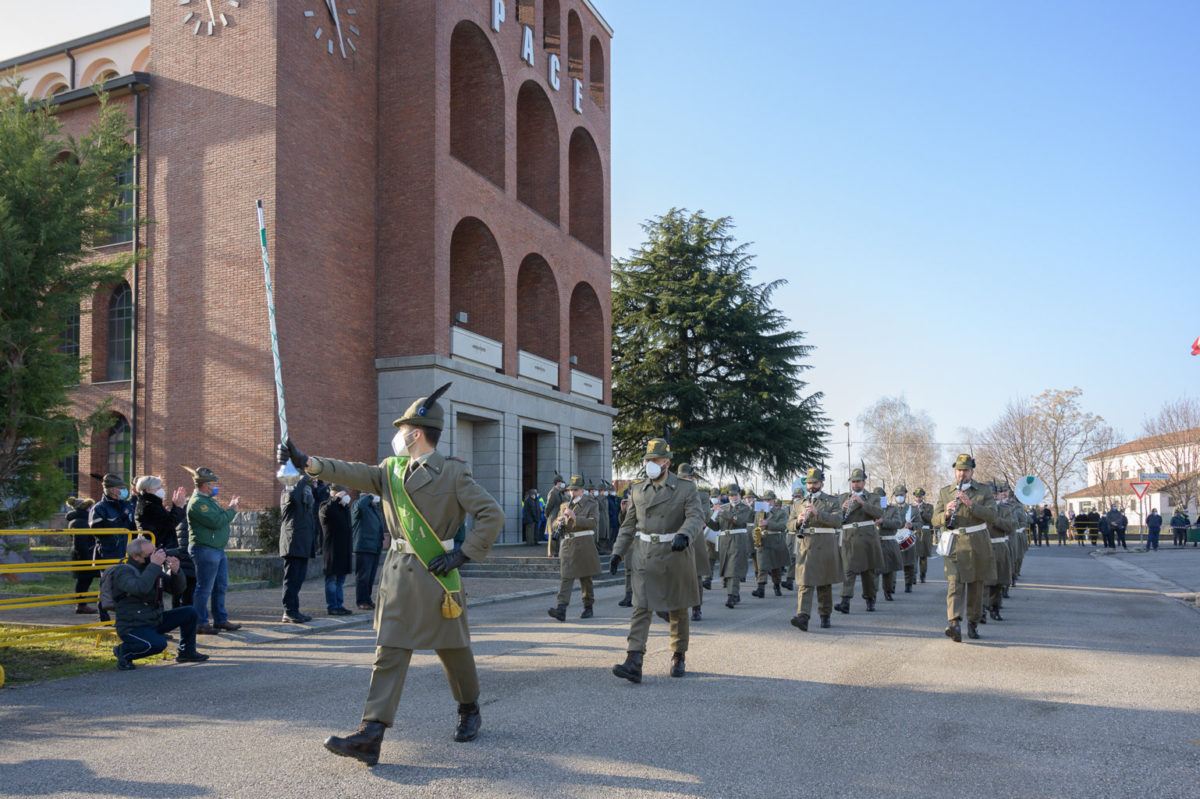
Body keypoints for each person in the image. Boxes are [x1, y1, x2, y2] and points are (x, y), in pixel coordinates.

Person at [280, 383, 502, 765]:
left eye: (403, 429)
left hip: (438, 578)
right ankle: (371, 733)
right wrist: (309, 463)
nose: (398, 435)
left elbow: (491, 514)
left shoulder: (452, 473)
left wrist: (463, 554)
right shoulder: (390, 470)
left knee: (454, 652)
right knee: (389, 652)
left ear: (416, 434)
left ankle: (469, 708)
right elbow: (353, 472)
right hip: (399, 577)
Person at [609, 438, 702, 682]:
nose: (650, 464)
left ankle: (678, 654)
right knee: (641, 606)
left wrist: (684, 534)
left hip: (675, 552)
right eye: (648, 459)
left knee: (678, 607)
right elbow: (629, 525)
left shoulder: (685, 488)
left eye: (655, 460)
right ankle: (634, 659)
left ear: (667, 463)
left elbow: (695, 517)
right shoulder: (638, 489)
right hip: (645, 555)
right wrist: (617, 552)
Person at [111, 538, 209, 670]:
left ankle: (187, 652)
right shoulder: (123, 571)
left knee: (189, 612)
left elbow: (176, 590)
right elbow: (140, 588)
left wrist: (176, 572)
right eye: (150, 554)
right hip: (133, 626)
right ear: (135, 556)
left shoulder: (153, 568)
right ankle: (124, 652)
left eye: (155, 552)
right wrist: (154, 565)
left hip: (154, 620)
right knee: (158, 644)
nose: (155, 556)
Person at [931, 454, 997, 642]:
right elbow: (934, 520)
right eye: (959, 470)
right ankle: (954, 623)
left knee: (976, 586)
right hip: (954, 544)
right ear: (955, 471)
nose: (962, 474)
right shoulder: (945, 492)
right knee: (954, 583)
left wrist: (970, 504)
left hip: (977, 543)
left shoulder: (983, 491)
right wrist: (946, 514)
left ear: (972, 471)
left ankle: (973, 623)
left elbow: (992, 516)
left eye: (966, 470)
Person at [184, 466, 242, 635]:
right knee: (204, 588)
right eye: (213, 484)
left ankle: (220, 619)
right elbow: (216, 521)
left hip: (216, 549)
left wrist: (228, 510)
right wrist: (232, 510)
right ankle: (201, 622)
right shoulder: (198, 503)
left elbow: (219, 517)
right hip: (205, 549)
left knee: (220, 586)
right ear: (204, 485)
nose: (215, 486)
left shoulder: (208, 500)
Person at [788, 469, 844, 631]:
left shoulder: (832, 501)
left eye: (814, 482)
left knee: (824, 583)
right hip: (806, 545)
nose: (811, 486)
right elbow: (789, 525)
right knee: (804, 582)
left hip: (825, 545)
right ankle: (803, 616)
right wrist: (798, 522)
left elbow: (838, 521)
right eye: (809, 483)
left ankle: (825, 615)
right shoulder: (799, 503)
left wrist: (818, 513)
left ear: (821, 484)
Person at [547, 476, 601, 621]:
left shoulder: (591, 504)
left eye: (576, 490)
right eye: (571, 490)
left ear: (582, 490)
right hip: (568, 544)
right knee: (566, 576)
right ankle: (561, 608)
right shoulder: (564, 506)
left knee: (585, 577)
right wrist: (558, 522)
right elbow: (554, 524)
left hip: (584, 544)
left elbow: (593, 523)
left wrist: (575, 517)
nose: (573, 493)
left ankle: (588, 606)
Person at [134, 477, 193, 608]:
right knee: (164, 581)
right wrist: (178, 507)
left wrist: (176, 508)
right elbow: (169, 523)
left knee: (173, 577)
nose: (162, 490)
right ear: (148, 490)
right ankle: (169, 608)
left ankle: (174, 606)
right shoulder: (149, 505)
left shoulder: (152, 503)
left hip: (161, 546)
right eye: (158, 488)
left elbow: (167, 521)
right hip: (156, 548)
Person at [834, 467, 883, 614]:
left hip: (867, 537)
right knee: (848, 570)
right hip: (849, 537)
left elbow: (878, 513)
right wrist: (842, 509)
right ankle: (845, 601)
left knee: (869, 572)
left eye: (858, 481)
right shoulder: (843, 497)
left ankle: (870, 599)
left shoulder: (873, 497)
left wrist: (862, 503)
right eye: (853, 481)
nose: (855, 484)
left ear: (864, 482)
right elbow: (836, 519)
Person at [705, 482, 753, 608]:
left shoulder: (744, 508)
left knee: (733, 568)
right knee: (727, 568)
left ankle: (731, 596)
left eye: (735, 495)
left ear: (739, 495)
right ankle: (735, 594)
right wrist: (707, 519)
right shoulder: (724, 508)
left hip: (738, 540)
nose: (733, 497)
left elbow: (738, 520)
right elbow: (717, 527)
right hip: (724, 541)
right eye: (731, 495)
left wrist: (721, 511)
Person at [279, 474, 316, 623]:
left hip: (303, 546)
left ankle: (295, 610)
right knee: (291, 581)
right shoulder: (288, 494)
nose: (308, 492)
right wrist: (303, 480)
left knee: (298, 581)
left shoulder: (305, 504)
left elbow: (318, 496)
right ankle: (289, 611)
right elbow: (293, 496)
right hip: (292, 545)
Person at [673, 464, 709, 621]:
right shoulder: (671, 493)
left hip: (694, 537)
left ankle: (697, 608)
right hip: (675, 536)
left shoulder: (702, 495)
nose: (685, 480)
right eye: (682, 478)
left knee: (696, 575)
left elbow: (704, 515)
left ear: (693, 479)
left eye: (688, 478)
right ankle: (676, 607)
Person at [983, 481, 1018, 622]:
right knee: (984, 582)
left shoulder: (1006, 509)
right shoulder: (980, 509)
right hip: (983, 546)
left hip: (1000, 547)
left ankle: (995, 607)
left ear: (998, 495)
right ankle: (981, 609)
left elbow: (1011, 526)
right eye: (990, 494)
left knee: (999, 581)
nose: (993, 496)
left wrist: (995, 519)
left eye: (995, 494)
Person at [320, 486, 355, 616]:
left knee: (340, 580)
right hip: (332, 550)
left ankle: (339, 605)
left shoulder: (343, 508)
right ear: (336, 494)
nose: (347, 497)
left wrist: (342, 504)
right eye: (344, 494)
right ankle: (332, 606)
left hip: (343, 550)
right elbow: (326, 511)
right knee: (332, 579)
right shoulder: (326, 506)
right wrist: (335, 499)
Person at [751, 491, 790, 598]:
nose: (766, 502)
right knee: (761, 565)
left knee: (776, 567)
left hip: (775, 540)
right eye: (765, 500)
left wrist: (768, 523)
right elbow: (755, 527)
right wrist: (755, 536)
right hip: (762, 540)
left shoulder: (780, 512)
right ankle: (761, 588)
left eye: (769, 500)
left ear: (773, 500)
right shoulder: (759, 513)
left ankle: (777, 586)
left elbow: (783, 526)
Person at [352, 490, 386, 610]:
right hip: (364, 546)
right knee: (363, 577)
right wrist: (370, 495)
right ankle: (361, 601)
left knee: (371, 576)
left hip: (374, 547)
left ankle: (368, 599)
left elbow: (379, 526)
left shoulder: (373, 508)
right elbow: (360, 505)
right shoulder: (358, 504)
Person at [876, 485, 908, 601]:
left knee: (889, 570)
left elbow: (898, 523)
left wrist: (883, 521)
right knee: (873, 571)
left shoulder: (892, 509)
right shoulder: (868, 510)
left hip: (889, 541)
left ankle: (888, 591)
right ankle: (871, 596)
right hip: (874, 542)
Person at [66, 497, 97, 614]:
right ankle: (81, 605)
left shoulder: (80, 520)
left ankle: (82, 604)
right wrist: (86, 558)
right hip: (84, 555)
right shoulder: (79, 522)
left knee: (85, 580)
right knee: (83, 581)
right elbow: (80, 543)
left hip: (86, 554)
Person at [914, 488, 934, 583]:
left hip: (924, 533)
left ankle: (923, 575)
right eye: (917, 496)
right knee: (913, 556)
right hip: (914, 532)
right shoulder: (911, 506)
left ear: (923, 497)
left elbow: (930, 519)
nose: (918, 498)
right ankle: (913, 575)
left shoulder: (929, 507)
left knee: (923, 556)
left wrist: (922, 512)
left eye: (920, 496)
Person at [544, 474, 567, 556]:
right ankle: (551, 553)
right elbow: (548, 506)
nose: (562, 484)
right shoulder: (553, 492)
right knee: (552, 534)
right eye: (561, 482)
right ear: (557, 483)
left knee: (558, 533)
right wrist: (547, 515)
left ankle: (556, 552)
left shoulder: (559, 492)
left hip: (558, 515)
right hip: (553, 515)